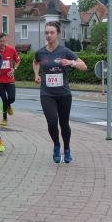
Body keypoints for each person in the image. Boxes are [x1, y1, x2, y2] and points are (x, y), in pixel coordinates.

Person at [33, 21, 88, 164]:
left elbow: (84, 66)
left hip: (64, 94)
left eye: (52, 32)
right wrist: (37, 75)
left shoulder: (65, 51)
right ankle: (57, 146)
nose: (49, 35)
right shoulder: (40, 52)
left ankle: (67, 148)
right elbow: (36, 62)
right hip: (47, 93)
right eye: (46, 32)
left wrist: (71, 63)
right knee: (52, 122)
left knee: (64, 123)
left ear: (57, 34)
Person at [0, 32, 20, 127]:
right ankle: (4, 118)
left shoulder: (11, 50)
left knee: (12, 98)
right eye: (0, 41)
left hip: (9, 78)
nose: (2, 43)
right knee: (4, 99)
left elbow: (18, 60)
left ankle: (8, 105)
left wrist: (14, 69)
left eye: (4, 41)